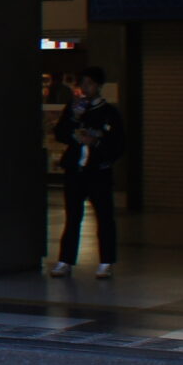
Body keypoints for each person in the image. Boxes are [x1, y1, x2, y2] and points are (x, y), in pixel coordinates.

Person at [51, 65, 126, 277]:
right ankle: (65, 260)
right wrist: (74, 124)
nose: (85, 88)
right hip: (76, 170)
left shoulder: (109, 113)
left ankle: (106, 261)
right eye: (82, 83)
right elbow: (60, 133)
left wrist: (97, 143)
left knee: (104, 217)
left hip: (98, 171)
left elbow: (118, 143)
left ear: (99, 86)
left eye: (90, 84)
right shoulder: (74, 108)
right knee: (73, 216)